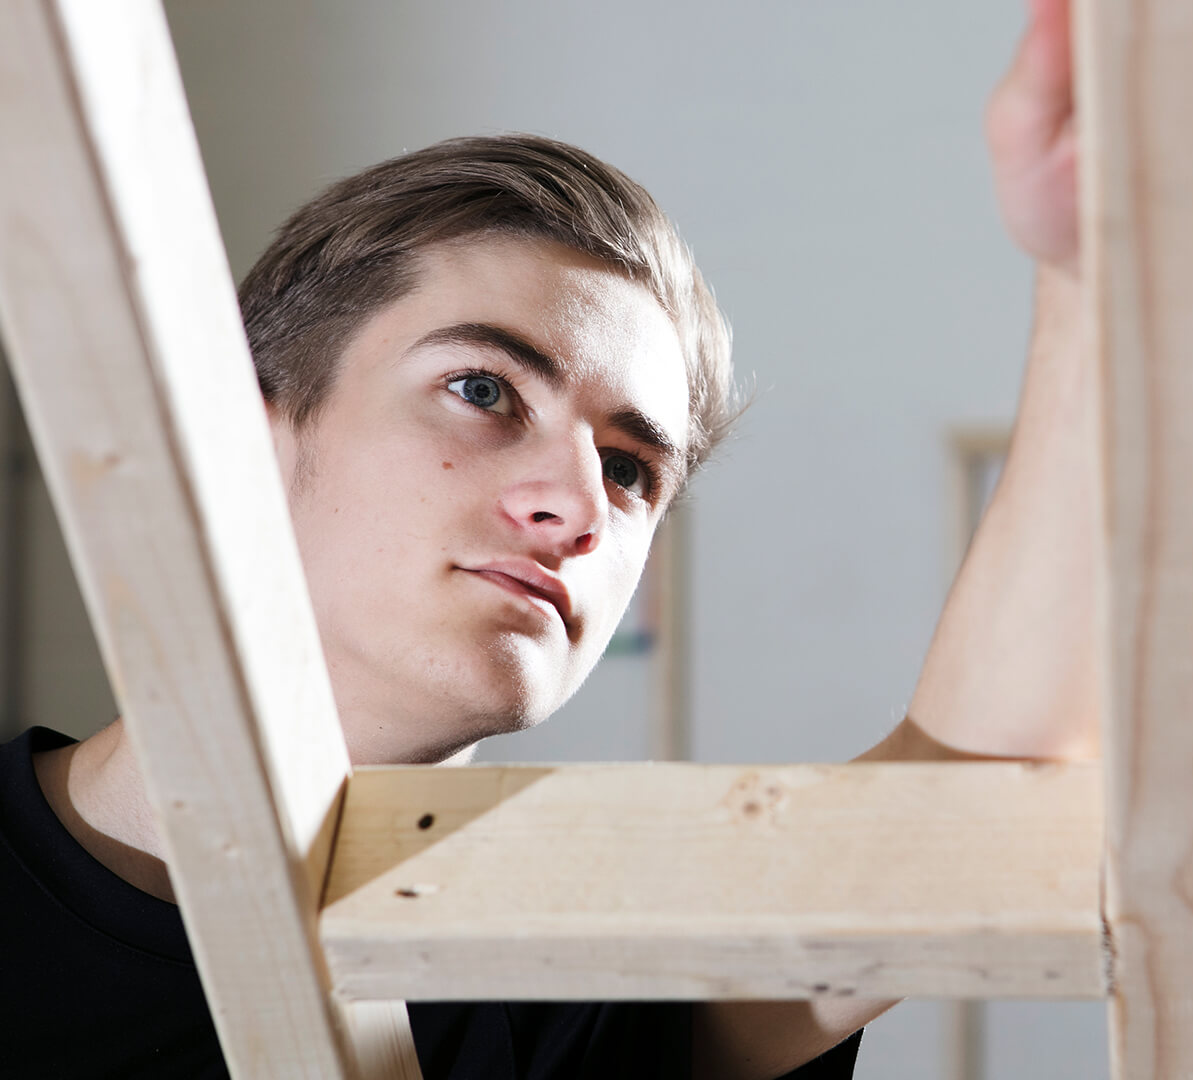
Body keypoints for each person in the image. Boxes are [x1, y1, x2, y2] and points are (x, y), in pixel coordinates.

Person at [0, 1, 1095, 1078]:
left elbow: (979, 788)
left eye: (630, 469)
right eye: (482, 389)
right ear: (242, 436)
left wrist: (1097, 276)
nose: (577, 506)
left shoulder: (580, 977)